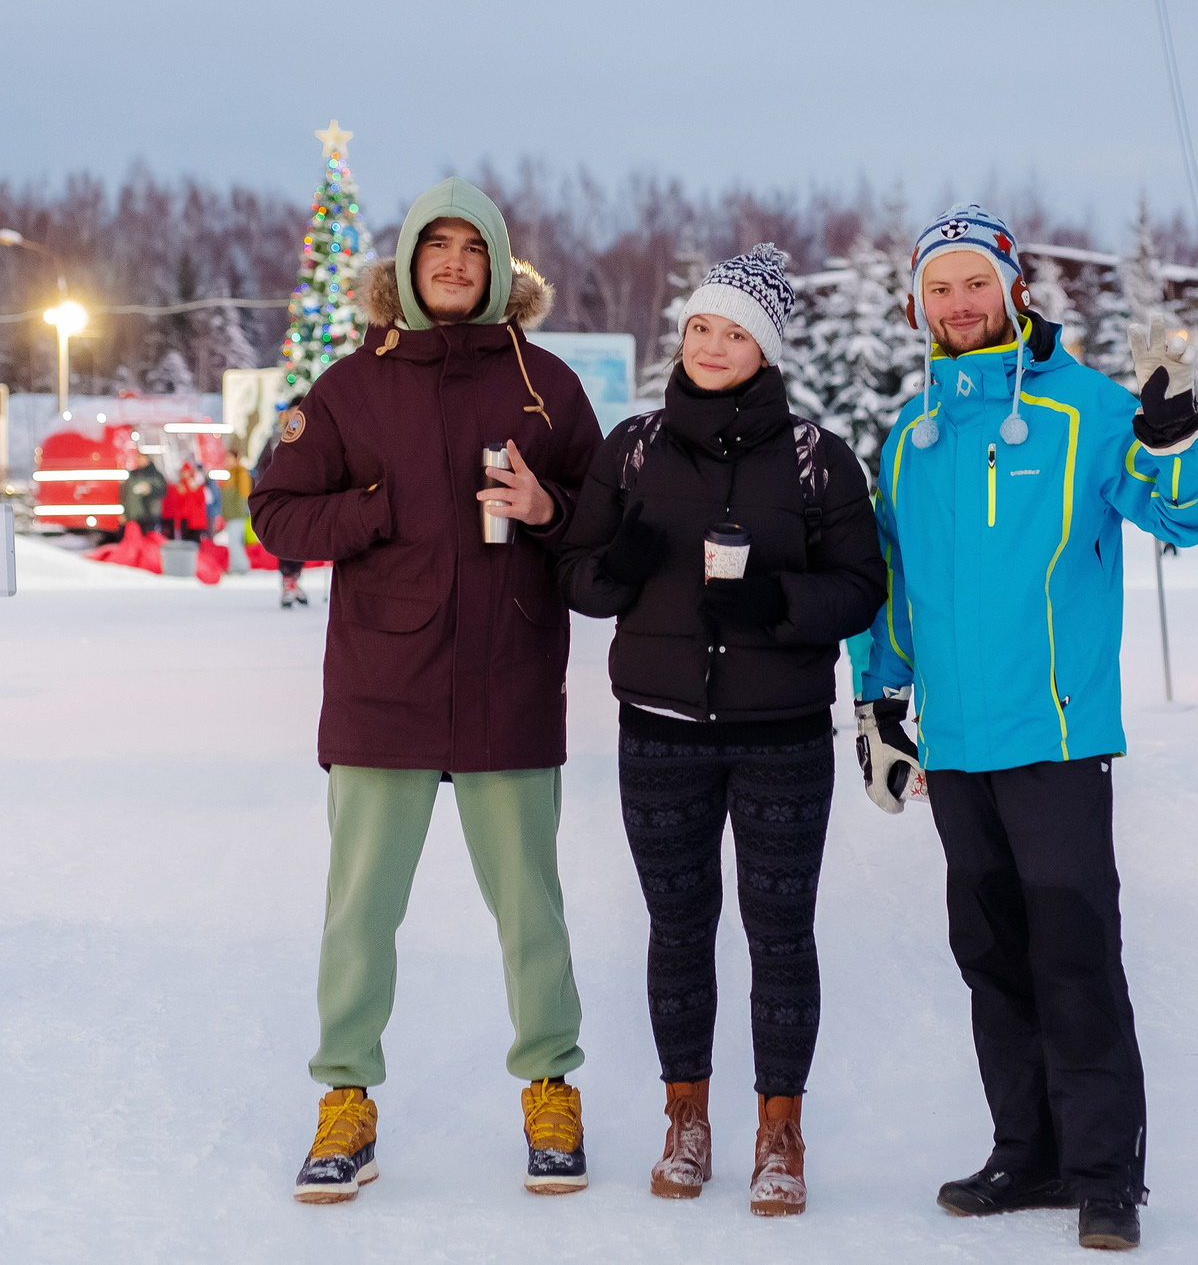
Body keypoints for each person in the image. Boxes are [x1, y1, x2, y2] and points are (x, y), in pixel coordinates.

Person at [857, 204, 1198, 1253]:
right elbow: (895, 587)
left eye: (974, 283)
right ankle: (1027, 1152)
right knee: (990, 958)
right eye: (938, 289)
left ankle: (1106, 1174)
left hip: (1056, 742)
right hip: (959, 748)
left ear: (1014, 288)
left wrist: (1175, 441)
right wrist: (879, 703)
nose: (958, 305)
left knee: (1074, 957)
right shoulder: (912, 437)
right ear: (916, 306)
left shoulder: (1088, 410)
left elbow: (1189, 520)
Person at [250, 177, 603, 1204]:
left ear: (498, 267)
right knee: (359, 913)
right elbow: (274, 514)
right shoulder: (350, 387)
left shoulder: (547, 386)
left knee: (530, 909)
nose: (453, 263)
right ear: (406, 265)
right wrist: (369, 511)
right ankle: (345, 1100)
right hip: (383, 686)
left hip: (509, 680)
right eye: (435, 246)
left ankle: (550, 1085)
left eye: (473, 248)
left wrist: (547, 505)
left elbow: (601, 520)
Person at [558, 245, 884, 1218]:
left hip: (781, 730)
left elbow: (862, 590)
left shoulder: (819, 460)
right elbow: (574, 579)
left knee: (780, 931)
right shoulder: (630, 448)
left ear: (765, 348)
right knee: (679, 924)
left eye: (733, 331)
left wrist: (776, 605)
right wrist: (616, 559)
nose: (710, 344)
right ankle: (685, 1116)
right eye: (701, 326)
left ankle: (778, 1130)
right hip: (658, 727)